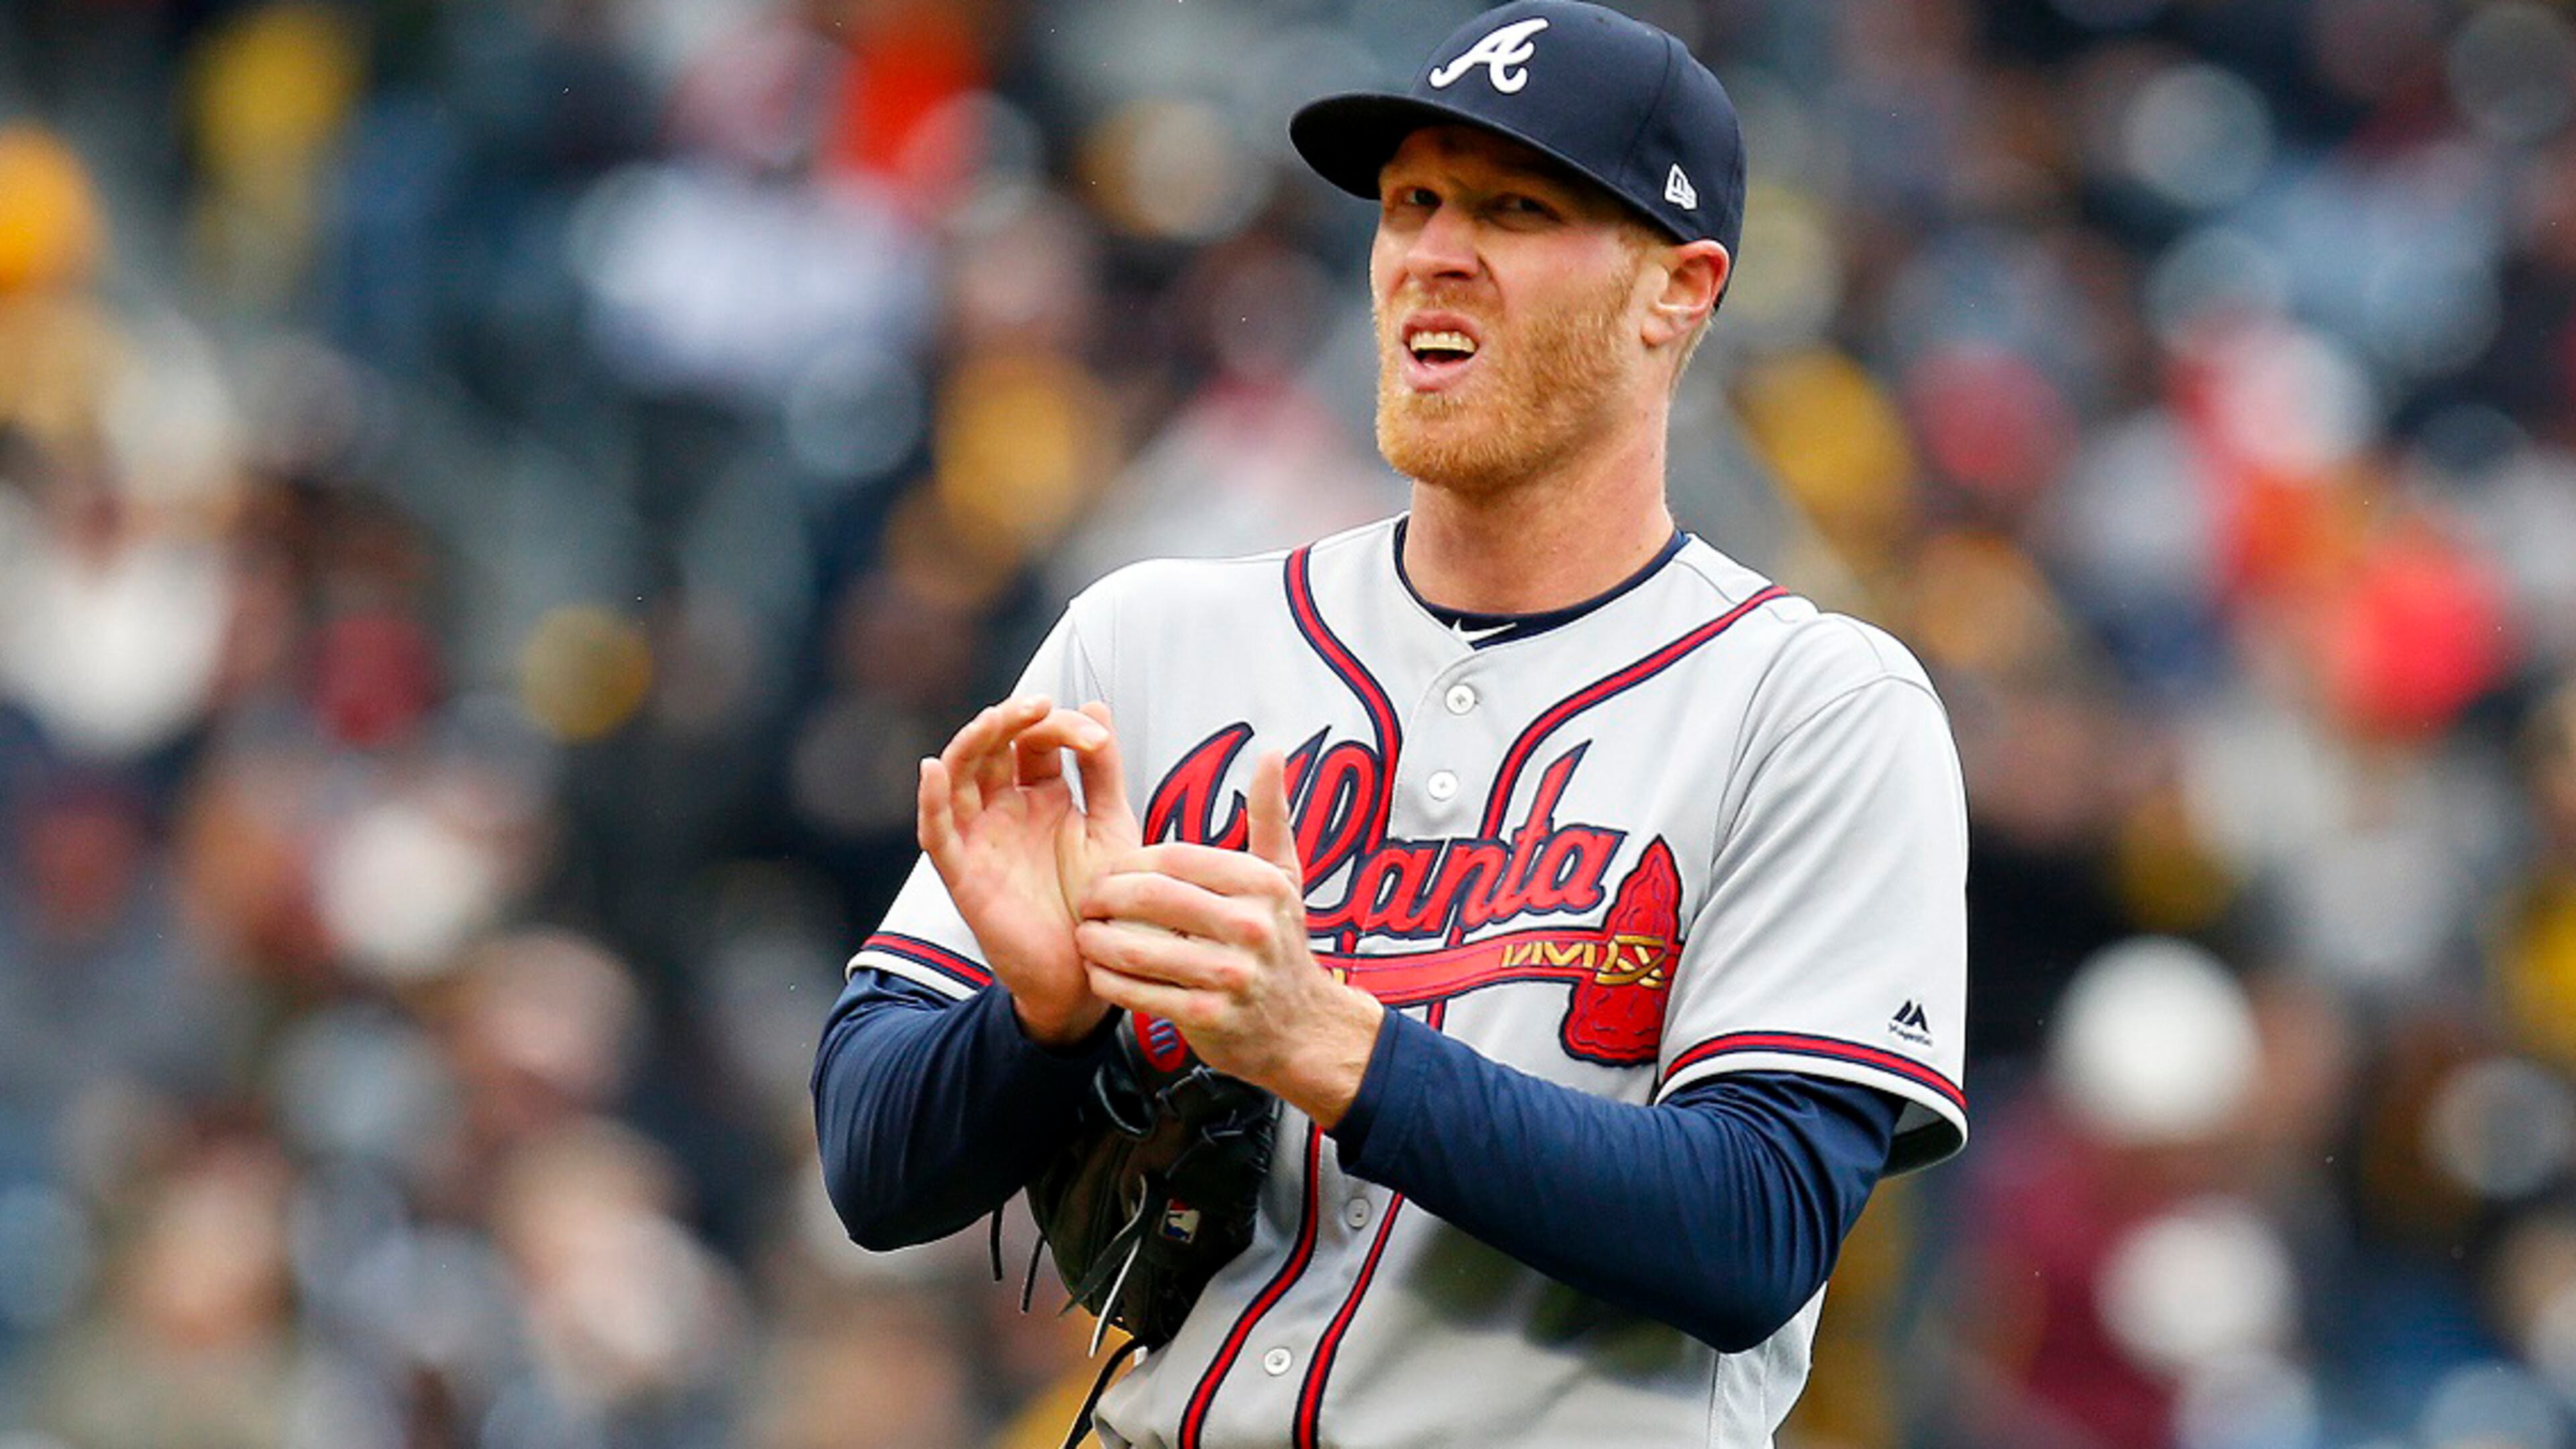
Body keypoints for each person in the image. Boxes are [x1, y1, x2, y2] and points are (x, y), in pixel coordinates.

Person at [812, 3, 1968, 1445]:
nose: (1434, 248)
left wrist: (1335, 1049)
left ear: (1680, 290)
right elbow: (872, 1165)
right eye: (1411, 200)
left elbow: (1755, 1230)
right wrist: (1039, 1025)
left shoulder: (1816, 710)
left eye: (1515, 207)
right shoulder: (1155, 638)